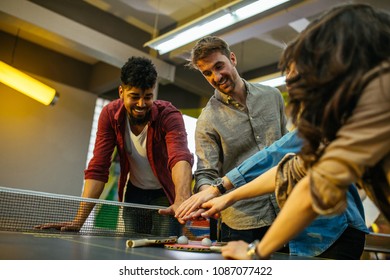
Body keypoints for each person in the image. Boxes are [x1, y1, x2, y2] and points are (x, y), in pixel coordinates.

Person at [211, 3, 390, 259]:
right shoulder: (347, 117)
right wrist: (224, 195)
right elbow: (297, 169)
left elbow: (311, 186)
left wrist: (255, 252)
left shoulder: (379, 94)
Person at [176, 64, 369, 259]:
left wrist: (255, 251)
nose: (293, 89)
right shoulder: (321, 124)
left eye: (298, 81)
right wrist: (221, 194)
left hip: (336, 233)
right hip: (313, 233)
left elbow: (292, 170)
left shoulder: (341, 119)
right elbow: (286, 168)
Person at [36, 56, 193, 236]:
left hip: (166, 194)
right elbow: (98, 167)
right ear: (121, 92)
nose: (141, 104)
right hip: (135, 192)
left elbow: (179, 156)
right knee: (133, 247)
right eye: (134, 97)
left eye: (148, 97)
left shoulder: (169, 115)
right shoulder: (110, 115)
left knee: (165, 247)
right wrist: (78, 221)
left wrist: (182, 200)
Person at [185, 35, 288, 243]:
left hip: (286, 210)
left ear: (233, 58)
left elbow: (286, 147)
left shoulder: (272, 96)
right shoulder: (207, 120)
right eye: (207, 73)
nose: (216, 77)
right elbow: (205, 173)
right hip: (242, 222)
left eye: (219, 66)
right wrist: (208, 195)